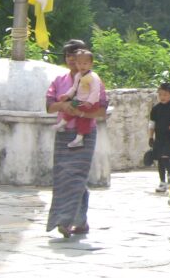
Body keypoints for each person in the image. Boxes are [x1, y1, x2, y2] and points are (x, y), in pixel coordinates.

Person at [45, 39, 109, 238]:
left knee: (76, 176)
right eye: (69, 56)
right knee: (63, 177)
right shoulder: (59, 81)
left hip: (85, 134)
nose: (73, 60)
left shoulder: (94, 81)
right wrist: (63, 106)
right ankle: (80, 221)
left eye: (76, 56)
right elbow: (49, 106)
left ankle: (65, 221)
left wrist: (82, 113)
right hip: (64, 133)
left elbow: (101, 111)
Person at [54, 48, 103, 148]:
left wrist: (90, 102)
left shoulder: (93, 77)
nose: (82, 66)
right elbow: (74, 88)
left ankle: (79, 138)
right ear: (76, 64)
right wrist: (67, 95)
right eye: (79, 63)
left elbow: (95, 91)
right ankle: (62, 125)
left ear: (90, 64)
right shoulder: (78, 76)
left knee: (83, 119)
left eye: (85, 63)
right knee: (70, 108)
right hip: (79, 100)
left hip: (91, 103)